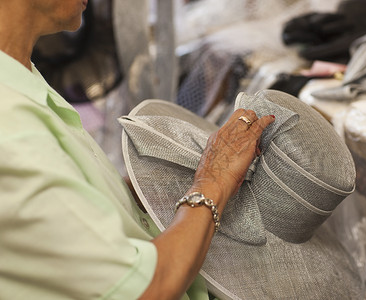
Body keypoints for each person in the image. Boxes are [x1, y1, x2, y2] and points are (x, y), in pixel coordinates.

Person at [0, 1, 274, 299]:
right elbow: (147, 290)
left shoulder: (21, 81)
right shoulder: (10, 128)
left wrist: (144, 193)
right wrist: (214, 182)